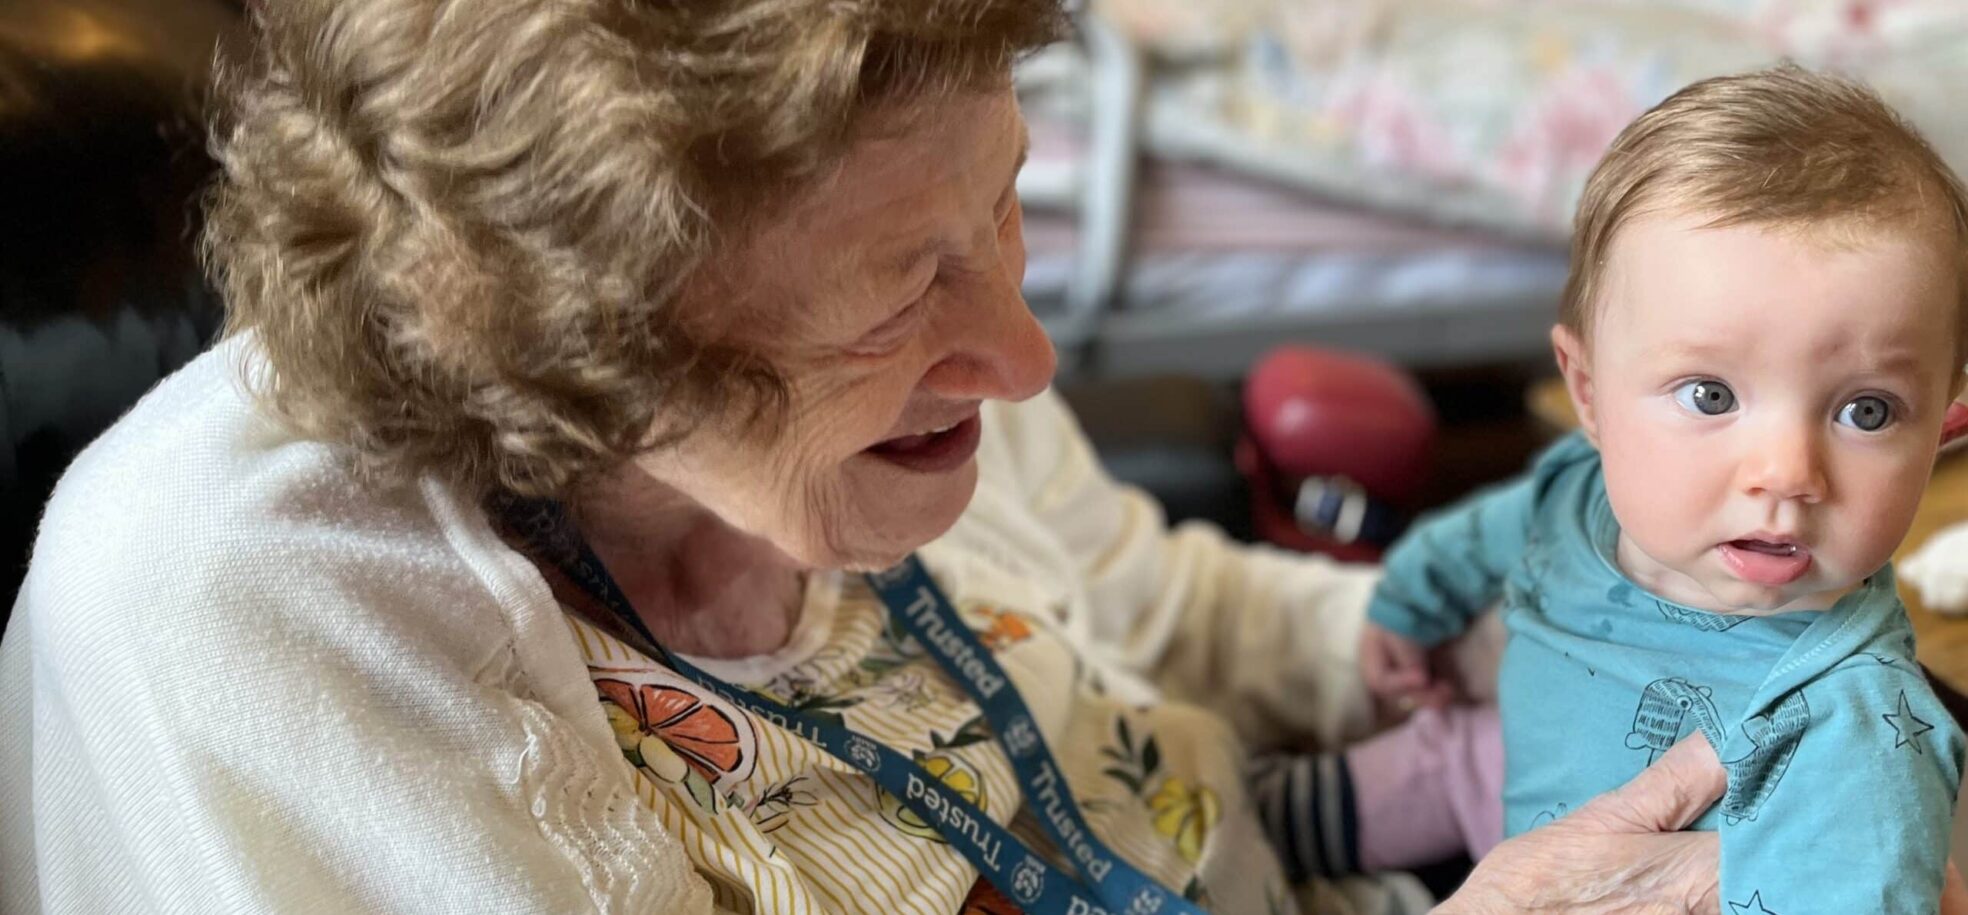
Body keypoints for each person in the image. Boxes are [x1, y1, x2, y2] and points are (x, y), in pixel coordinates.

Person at [0, 1, 1734, 912]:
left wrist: (1451, 644)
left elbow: (1156, 609)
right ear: (575, 340)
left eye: (1002, 210)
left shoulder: (906, 360)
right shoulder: (249, 624)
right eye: (905, 289)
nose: (1024, 353)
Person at [1260, 66, 1968, 914]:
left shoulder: (1862, 727)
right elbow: (1483, 533)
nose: (1786, 473)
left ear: (1944, 428)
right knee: (1294, 806)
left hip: (1636, 892)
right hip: (1492, 766)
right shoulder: (1577, 494)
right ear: (1588, 395)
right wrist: (1409, 606)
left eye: (1866, 408)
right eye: (1711, 394)